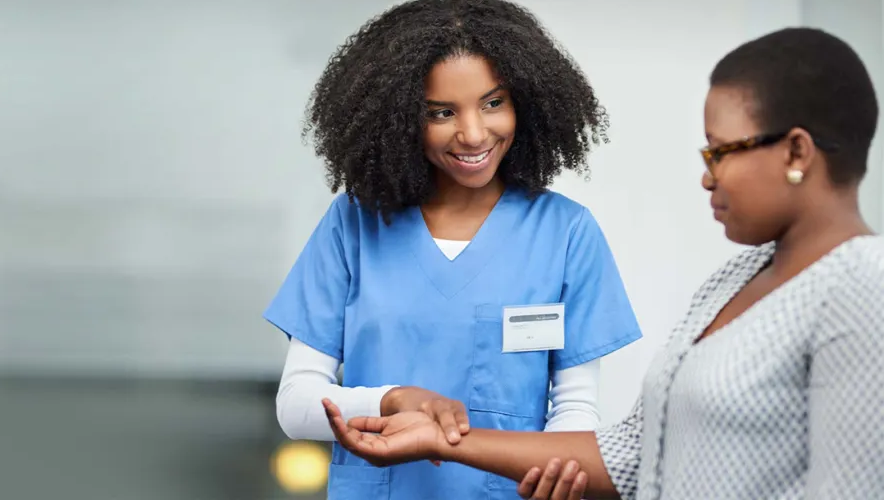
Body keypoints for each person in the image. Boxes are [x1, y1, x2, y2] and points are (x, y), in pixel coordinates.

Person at [322, 26, 884, 500]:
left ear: (796, 152)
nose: (707, 176)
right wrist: (442, 441)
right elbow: (632, 455)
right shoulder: (735, 280)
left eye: (720, 151)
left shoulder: (864, 288)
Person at [262, 0, 643, 498]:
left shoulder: (566, 232)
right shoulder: (354, 224)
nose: (473, 133)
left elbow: (574, 409)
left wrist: (555, 475)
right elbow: (296, 406)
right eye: (441, 113)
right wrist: (392, 400)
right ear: (398, 118)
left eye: (493, 103)